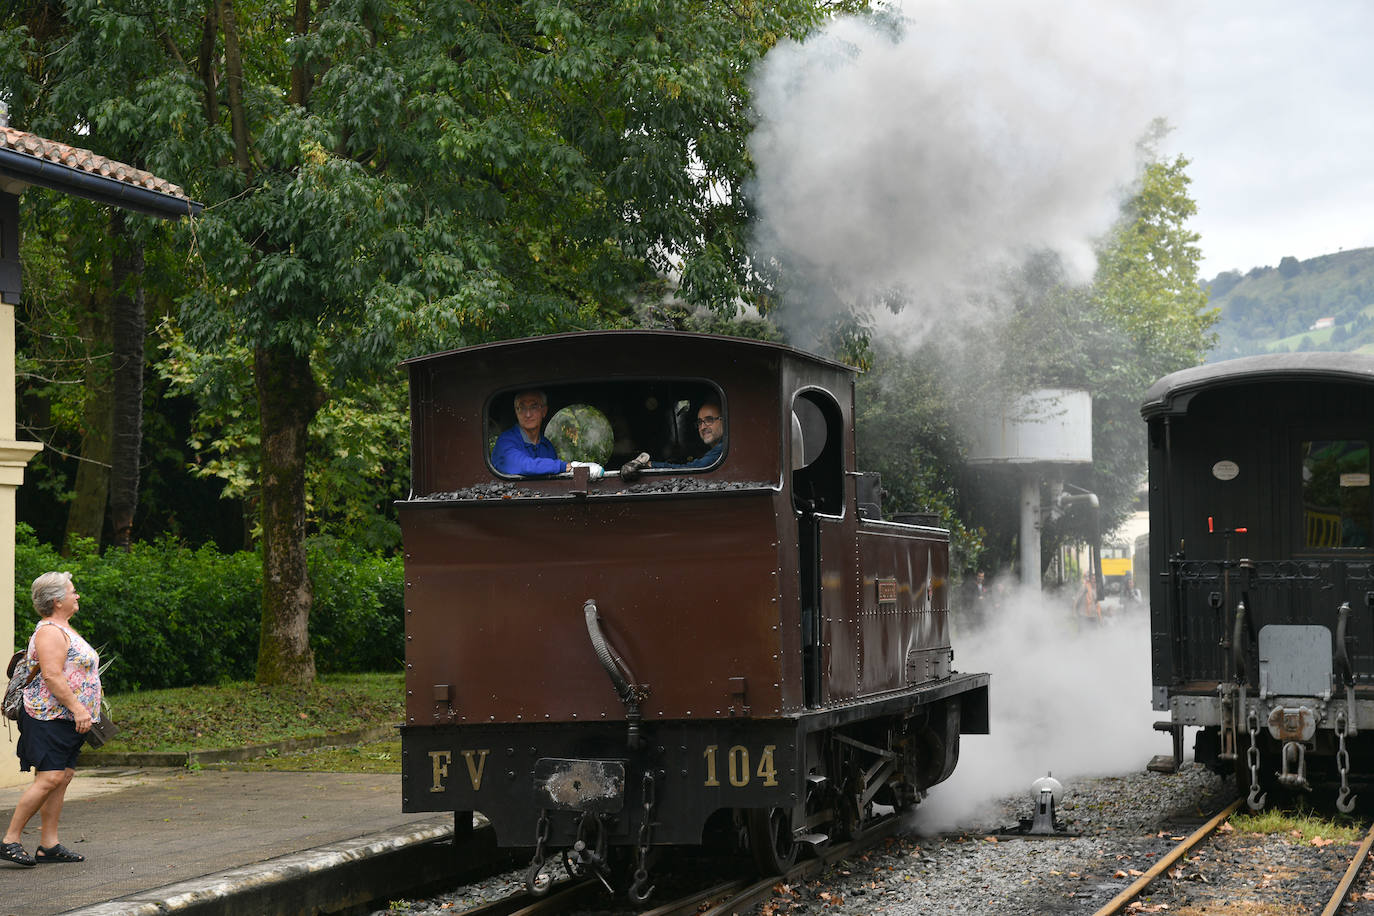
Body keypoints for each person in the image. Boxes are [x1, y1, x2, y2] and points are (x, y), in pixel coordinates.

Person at [2, 572, 102, 867]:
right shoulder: (48, 632)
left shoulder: (64, 628)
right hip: (49, 716)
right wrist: (79, 708)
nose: (77, 595)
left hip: (68, 718)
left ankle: (49, 845)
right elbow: (52, 675)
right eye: (73, 591)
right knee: (50, 777)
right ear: (58, 600)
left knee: (63, 777)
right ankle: (9, 839)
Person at [490, 389, 601, 478]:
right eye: (522, 408)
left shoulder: (547, 446)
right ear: (516, 412)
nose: (528, 414)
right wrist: (571, 466)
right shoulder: (505, 441)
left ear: (544, 411)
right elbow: (524, 465)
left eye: (534, 407)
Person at [652, 401, 725, 470]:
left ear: (724, 420)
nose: (702, 427)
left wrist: (652, 465)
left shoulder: (721, 448)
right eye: (699, 422)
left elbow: (693, 468)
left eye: (709, 420)